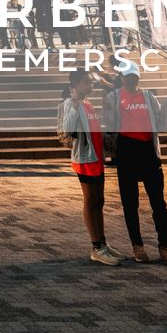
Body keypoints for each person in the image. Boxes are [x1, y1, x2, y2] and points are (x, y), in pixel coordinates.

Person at [104, 69, 167, 264]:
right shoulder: (114, 97)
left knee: (159, 203)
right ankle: (138, 246)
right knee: (130, 203)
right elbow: (109, 124)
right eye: (128, 76)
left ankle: (165, 246)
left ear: (138, 78)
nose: (131, 79)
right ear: (122, 78)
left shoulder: (148, 96)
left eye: (134, 76)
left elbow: (161, 122)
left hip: (148, 151)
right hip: (126, 151)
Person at [58, 71, 125, 266]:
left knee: (99, 200)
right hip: (85, 159)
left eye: (91, 82)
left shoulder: (88, 103)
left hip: (96, 157)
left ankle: (103, 243)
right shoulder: (70, 104)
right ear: (76, 84)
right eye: (87, 82)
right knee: (91, 201)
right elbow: (68, 131)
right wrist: (75, 105)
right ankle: (97, 247)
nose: (91, 86)